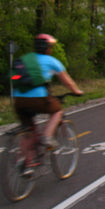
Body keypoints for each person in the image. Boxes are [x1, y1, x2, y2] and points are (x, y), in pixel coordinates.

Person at [13, 34, 83, 172]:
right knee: (57, 111)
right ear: (48, 48)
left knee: (28, 131)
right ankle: (46, 137)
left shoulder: (25, 59)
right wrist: (76, 91)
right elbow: (67, 81)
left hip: (19, 100)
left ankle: (26, 163)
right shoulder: (51, 61)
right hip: (38, 98)